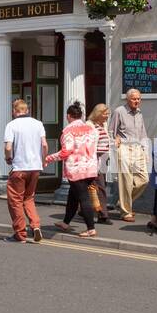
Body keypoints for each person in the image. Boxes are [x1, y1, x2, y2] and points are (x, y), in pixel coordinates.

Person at [46, 101, 101, 237]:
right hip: (91, 168)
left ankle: (91, 228)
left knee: (83, 198)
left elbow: (66, 152)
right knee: (73, 195)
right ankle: (65, 222)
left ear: (68, 116)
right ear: (81, 116)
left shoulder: (68, 131)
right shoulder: (91, 129)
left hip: (76, 169)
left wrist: (48, 158)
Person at [2, 97, 47, 243]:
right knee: (29, 198)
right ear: (27, 110)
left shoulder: (12, 125)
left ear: (14, 112)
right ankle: (35, 226)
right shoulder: (38, 123)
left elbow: (8, 147)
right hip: (35, 167)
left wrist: (8, 158)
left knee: (15, 201)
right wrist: (43, 159)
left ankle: (20, 234)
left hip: (20, 167)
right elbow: (45, 145)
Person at [110, 88, 150, 222]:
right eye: (134, 99)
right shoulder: (119, 112)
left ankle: (123, 202)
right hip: (124, 148)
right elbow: (111, 131)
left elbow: (143, 133)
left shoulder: (139, 113)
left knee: (144, 179)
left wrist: (145, 151)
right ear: (127, 99)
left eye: (138, 99)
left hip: (138, 148)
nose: (137, 101)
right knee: (126, 181)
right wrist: (114, 143)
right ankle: (126, 211)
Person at [89, 103, 113, 224]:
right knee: (100, 187)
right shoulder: (90, 125)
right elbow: (89, 144)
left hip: (103, 159)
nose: (107, 116)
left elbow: (106, 141)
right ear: (98, 113)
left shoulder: (103, 124)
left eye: (108, 113)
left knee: (95, 187)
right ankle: (103, 215)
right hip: (94, 159)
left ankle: (84, 209)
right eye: (105, 114)